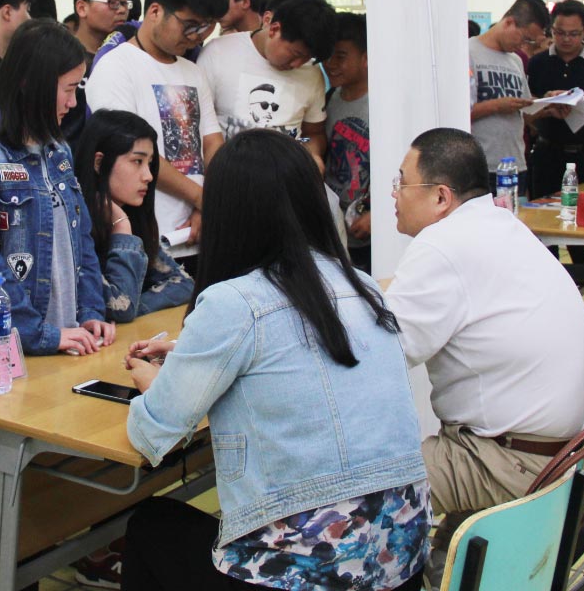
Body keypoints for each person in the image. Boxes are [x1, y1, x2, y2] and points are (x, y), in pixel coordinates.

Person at [120, 129, 430, 591]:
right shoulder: (363, 286)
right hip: (401, 564)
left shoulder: (232, 303)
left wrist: (152, 381)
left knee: (149, 525)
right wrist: (193, 353)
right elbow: (298, 353)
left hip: (308, 575)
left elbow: (154, 434)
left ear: (227, 213)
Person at [383, 127, 584, 585]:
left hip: (511, 463)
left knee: (364, 489)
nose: (394, 194)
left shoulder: (441, 245)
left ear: (440, 197)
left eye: (402, 181)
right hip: (571, 454)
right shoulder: (502, 225)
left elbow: (383, 354)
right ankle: (440, 566)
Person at [0, 19, 115, 356]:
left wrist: (91, 312)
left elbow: (81, 239)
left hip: (64, 334)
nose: (73, 103)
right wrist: (40, 334)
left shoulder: (57, 150)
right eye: (68, 89)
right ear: (29, 84)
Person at [87, 0, 226, 265]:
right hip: (145, 239)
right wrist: (202, 199)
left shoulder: (194, 72)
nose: (196, 36)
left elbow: (212, 142)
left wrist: (205, 204)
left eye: (204, 28)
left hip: (199, 234)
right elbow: (132, 152)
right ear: (155, 11)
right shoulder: (115, 67)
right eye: (190, 25)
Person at [74, 109, 194, 320]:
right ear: (99, 163)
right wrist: (121, 227)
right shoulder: (73, 225)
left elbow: (184, 284)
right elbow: (120, 307)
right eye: (137, 161)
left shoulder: (134, 217)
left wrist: (137, 305)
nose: (148, 176)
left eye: (150, 163)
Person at [197, 0, 337, 166]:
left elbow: (314, 133)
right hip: (227, 172)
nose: (297, 64)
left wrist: (312, 154)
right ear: (274, 29)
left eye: (307, 58)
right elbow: (197, 123)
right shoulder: (219, 53)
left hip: (285, 176)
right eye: (296, 54)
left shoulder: (311, 73)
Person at [526, 0, 584, 198]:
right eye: (559, 33)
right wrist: (546, 104)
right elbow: (527, 107)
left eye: (573, 34)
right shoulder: (536, 64)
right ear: (551, 29)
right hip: (548, 153)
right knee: (543, 210)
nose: (566, 39)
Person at [470, 0, 551, 193]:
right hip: (481, 166)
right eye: (525, 38)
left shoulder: (515, 60)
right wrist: (497, 105)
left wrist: (547, 104)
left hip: (515, 164)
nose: (524, 46)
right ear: (509, 22)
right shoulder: (469, 52)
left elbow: (522, 110)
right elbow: (457, 113)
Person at [325, 12, 372, 271]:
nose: (330, 64)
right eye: (327, 55)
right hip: (334, 228)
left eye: (341, 57)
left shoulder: (382, 104)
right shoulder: (329, 98)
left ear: (366, 58)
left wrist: (377, 213)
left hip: (369, 231)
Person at [64, 0, 131, 146]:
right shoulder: (61, 57)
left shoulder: (125, 59)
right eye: (112, 2)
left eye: (125, 3)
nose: (121, 10)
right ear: (82, 8)